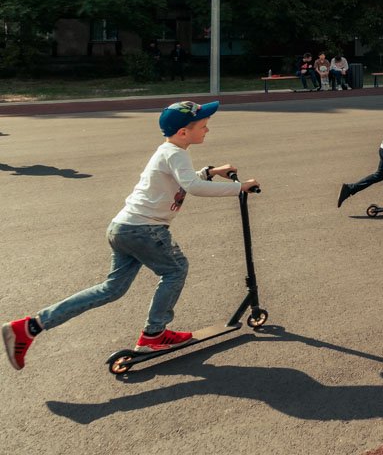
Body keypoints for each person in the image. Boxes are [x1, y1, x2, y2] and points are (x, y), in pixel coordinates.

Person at [2, 101, 260, 371]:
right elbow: (192, 187)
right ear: (184, 132)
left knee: (111, 289)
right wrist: (239, 187)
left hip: (123, 227)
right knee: (176, 269)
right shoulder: (176, 154)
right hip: (144, 229)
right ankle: (154, 334)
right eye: (203, 126)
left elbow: (183, 180)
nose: (208, 129)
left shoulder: (169, 152)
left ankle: (30, 326)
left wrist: (209, 172)